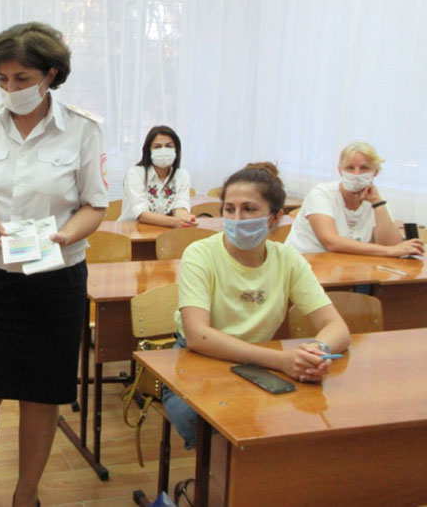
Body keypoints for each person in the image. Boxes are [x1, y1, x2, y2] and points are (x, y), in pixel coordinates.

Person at [0, 22, 109, 507]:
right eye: (2, 79)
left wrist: (67, 234)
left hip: (55, 279)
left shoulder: (83, 129)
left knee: (41, 397)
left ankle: (26, 494)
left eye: (22, 78)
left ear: (50, 74)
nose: (10, 89)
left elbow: (95, 205)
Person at [165, 162, 351, 453]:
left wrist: (315, 352)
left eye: (249, 209)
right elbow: (198, 335)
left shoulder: (287, 259)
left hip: (260, 364)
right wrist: (282, 361)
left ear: (274, 217)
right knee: (203, 419)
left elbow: (337, 327)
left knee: (302, 420)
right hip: (200, 362)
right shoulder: (200, 254)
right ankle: (217, 478)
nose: (237, 218)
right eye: (229, 209)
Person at [285, 142, 424, 258]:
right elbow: (332, 243)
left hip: (346, 269)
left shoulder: (375, 199)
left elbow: (393, 245)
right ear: (340, 171)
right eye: (350, 168)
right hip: (305, 265)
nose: (356, 174)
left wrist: (377, 203)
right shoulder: (322, 194)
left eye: (364, 168)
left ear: (375, 172)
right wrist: (389, 251)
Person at [119, 125, 197, 226]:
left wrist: (186, 219)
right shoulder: (135, 173)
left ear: (176, 150)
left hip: (164, 230)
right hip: (132, 230)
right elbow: (141, 214)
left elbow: (180, 207)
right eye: (157, 147)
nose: (164, 150)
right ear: (149, 150)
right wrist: (175, 222)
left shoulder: (182, 175)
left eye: (169, 146)